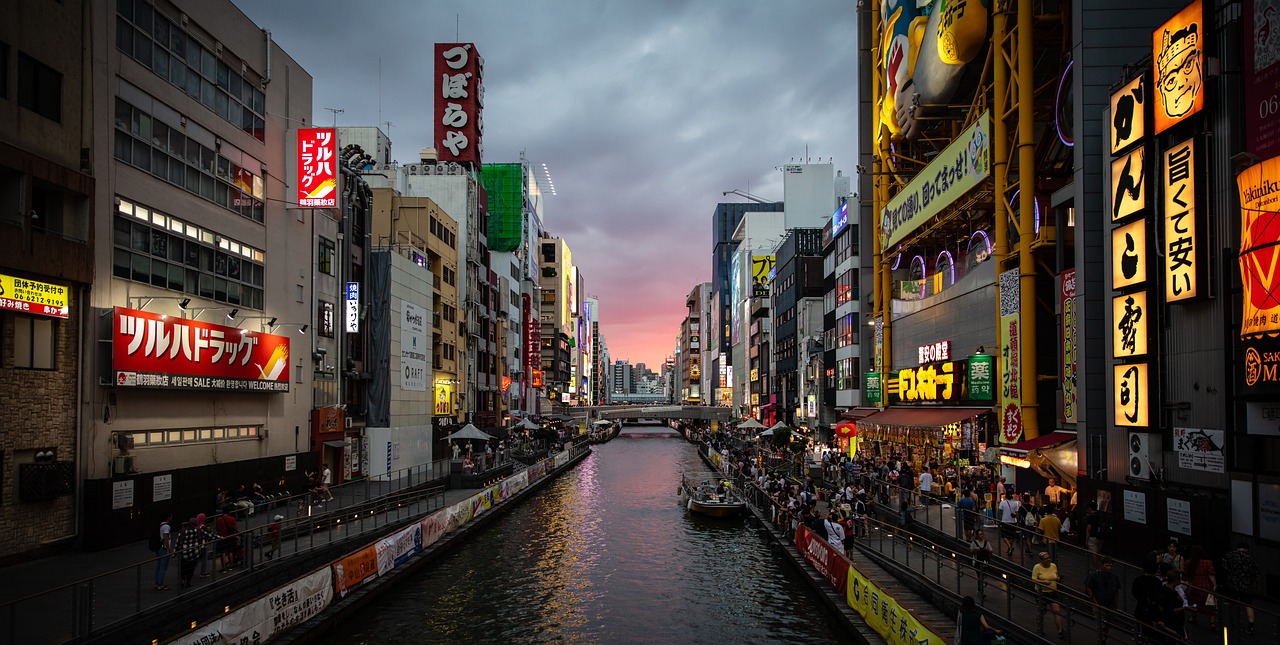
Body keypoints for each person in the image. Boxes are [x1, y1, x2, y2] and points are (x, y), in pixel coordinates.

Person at [1220, 542, 1258, 634]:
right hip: (1246, 585)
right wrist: (1255, 585)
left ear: (1237, 548)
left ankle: (1232, 620)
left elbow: (1224, 567)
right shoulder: (1250, 559)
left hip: (1232, 584)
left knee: (1232, 603)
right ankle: (1251, 625)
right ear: (1247, 549)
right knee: (1248, 605)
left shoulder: (1230, 555)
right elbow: (1255, 573)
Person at [1085, 557, 1122, 640]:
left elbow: (1116, 591)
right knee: (1100, 624)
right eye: (1107, 565)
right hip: (1099, 604)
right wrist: (1094, 600)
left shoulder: (1114, 577)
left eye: (1111, 565)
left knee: (1108, 624)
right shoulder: (1095, 575)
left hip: (1110, 605)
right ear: (1102, 565)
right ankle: (1101, 639)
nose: (1109, 567)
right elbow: (1088, 586)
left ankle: (1104, 636)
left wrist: (1116, 604)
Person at [1032, 551, 1067, 639]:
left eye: (1049, 558)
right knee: (1041, 612)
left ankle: (1061, 630)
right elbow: (1034, 579)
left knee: (1057, 610)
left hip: (1053, 592)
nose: (1048, 560)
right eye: (1046, 559)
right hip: (1041, 592)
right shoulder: (1037, 567)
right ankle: (1039, 628)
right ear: (1041, 560)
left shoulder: (1053, 565)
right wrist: (1044, 582)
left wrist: (1059, 579)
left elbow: (1056, 576)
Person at [1132, 560, 1165, 642]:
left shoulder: (1138, 580)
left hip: (1141, 606)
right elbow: (1159, 595)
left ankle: (1139, 637)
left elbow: (1134, 592)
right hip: (1153, 608)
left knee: (1139, 624)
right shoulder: (1158, 581)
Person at [1154, 570, 1190, 641]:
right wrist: (1185, 608)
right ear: (1176, 580)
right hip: (1172, 621)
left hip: (1174, 620)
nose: (1181, 580)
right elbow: (1172, 610)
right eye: (1180, 578)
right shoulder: (1169, 593)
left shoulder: (1167, 589)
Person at [176, 518, 204, 589]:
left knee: (183, 568)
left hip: (184, 554)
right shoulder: (198, 530)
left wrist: (175, 553)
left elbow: (178, 542)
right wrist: (220, 537)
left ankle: (182, 581)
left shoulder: (183, 531)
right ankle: (188, 583)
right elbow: (208, 535)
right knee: (191, 569)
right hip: (193, 554)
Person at [969, 529, 994, 599]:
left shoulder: (986, 543)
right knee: (980, 576)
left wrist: (986, 549)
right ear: (977, 535)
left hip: (984, 562)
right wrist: (975, 549)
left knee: (982, 576)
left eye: (982, 534)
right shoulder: (974, 543)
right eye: (980, 534)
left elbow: (991, 551)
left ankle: (980, 590)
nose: (981, 536)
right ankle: (981, 591)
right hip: (977, 561)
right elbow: (970, 550)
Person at [998, 492, 1021, 556]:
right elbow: (1017, 514)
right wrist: (1018, 523)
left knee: (1004, 536)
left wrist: (999, 521)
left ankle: (1009, 546)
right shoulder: (1015, 503)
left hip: (1005, 521)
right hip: (1013, 522)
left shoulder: (1002, 503)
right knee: (1011, 536)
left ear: (1006, 496)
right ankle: (1010, 547)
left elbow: (1000, 513)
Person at [154, 513, 173, 590]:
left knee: (159, 566)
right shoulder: (166, 527)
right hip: (163, 548)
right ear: (168, 517)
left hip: (158, 548)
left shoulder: (160, 525)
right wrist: (168, 549)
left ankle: (156, 582)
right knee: (163, 566)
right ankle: (160, 583)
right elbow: (166, 538)